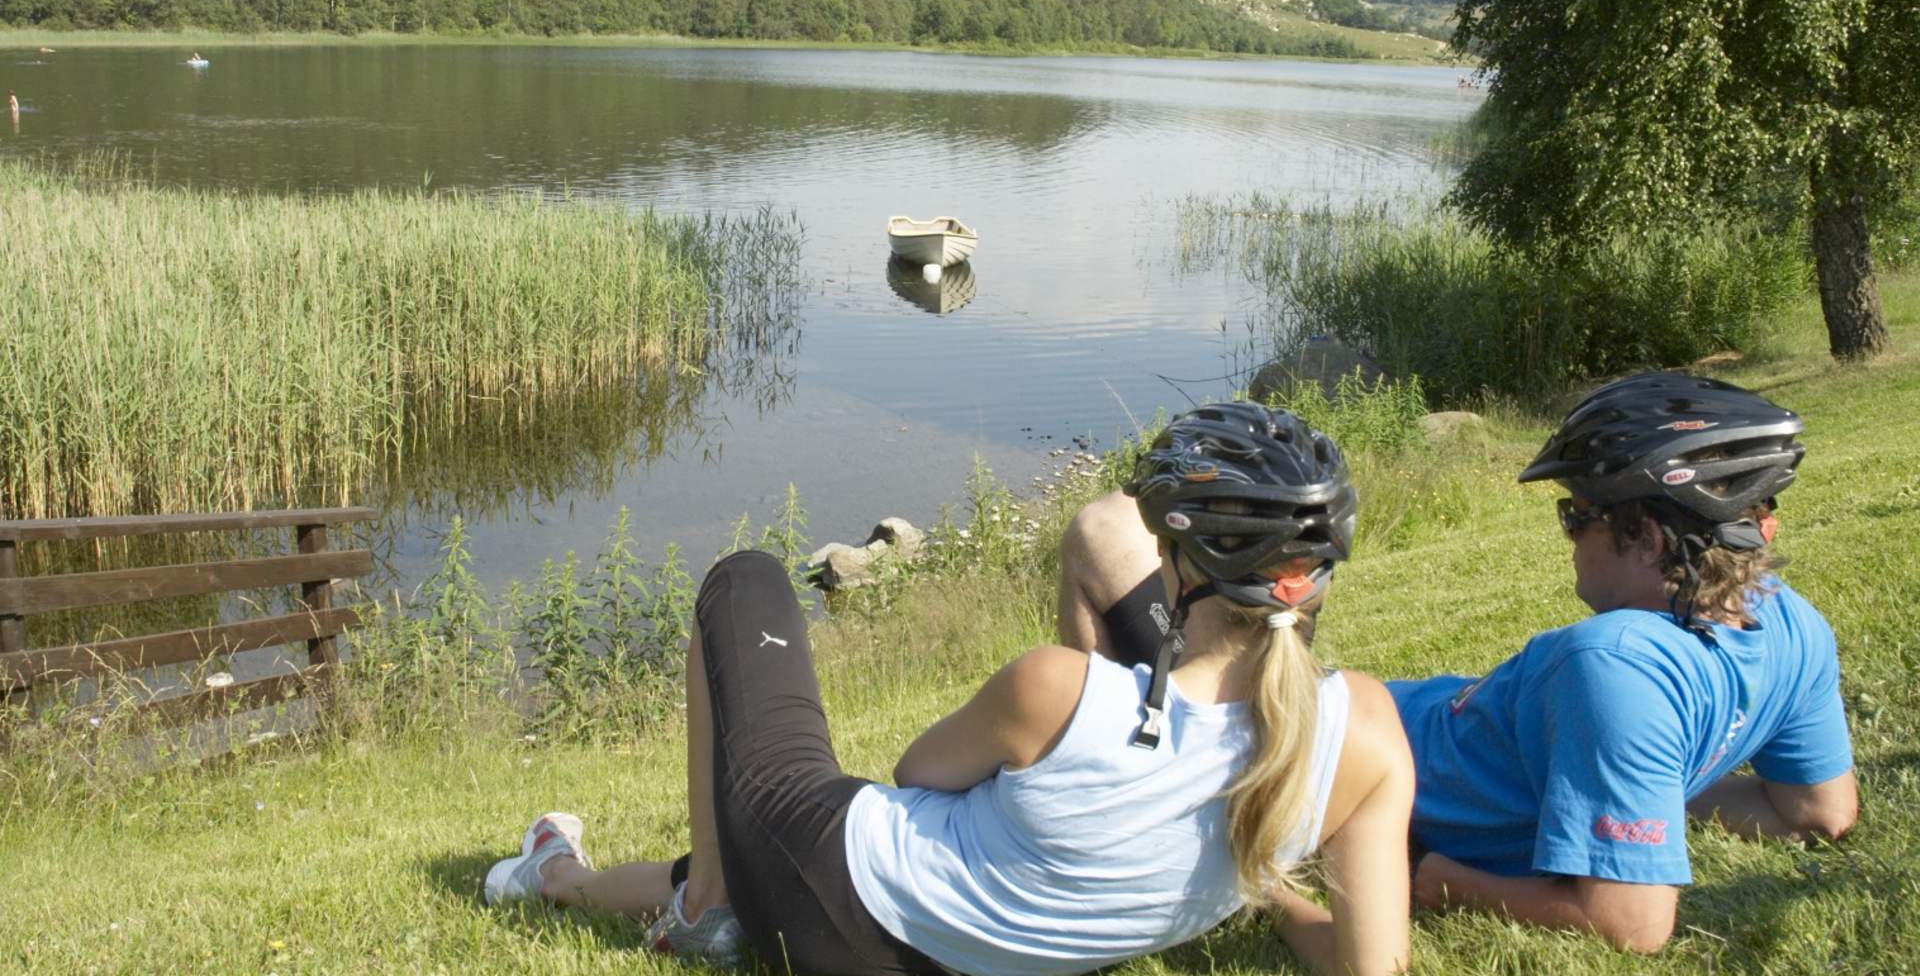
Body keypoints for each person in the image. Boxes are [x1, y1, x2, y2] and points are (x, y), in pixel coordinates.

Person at [483, 403, 1414, 975]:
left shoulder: (1060, 691)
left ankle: (702, 912)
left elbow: (917, 771)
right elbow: (1374, 964)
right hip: (947, 935)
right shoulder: (1364, 739)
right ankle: (570, 874)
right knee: (725, 866)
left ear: (1180, 572)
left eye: (1161, 549)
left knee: (745, 582)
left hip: (842, 904)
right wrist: (1265, 887)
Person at [1386, 371, 1856, 952]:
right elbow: (1817, 811)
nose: (1569, 537)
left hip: (1357, 754)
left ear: (1649, 540)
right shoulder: (1793, 623)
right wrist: (1648, 792)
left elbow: (1630, 924)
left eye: (1576, 516)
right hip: (1388, 714)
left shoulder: (1616, 663)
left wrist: (1432, 878)